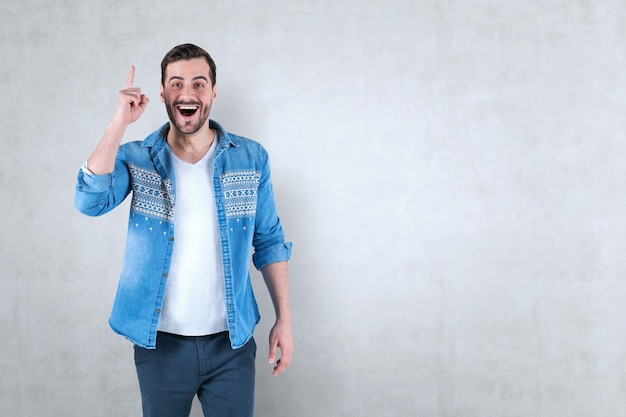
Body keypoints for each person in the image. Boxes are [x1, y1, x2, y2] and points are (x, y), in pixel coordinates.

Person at [74, 43, 293, 417]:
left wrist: (284, 320)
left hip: (232, 345)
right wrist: (118, 124)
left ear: (212, 93)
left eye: (198, 83)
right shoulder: (137, 157)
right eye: (176, 84)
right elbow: (90, 202)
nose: (187, 93)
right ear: (162, 94)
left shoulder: (250, 158)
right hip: (160, 346)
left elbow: (269, 241)